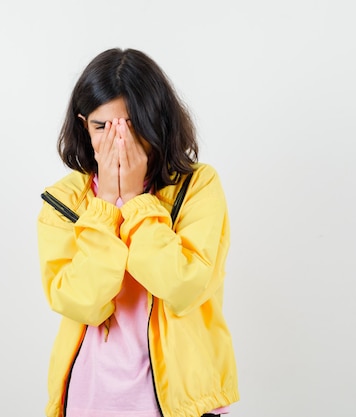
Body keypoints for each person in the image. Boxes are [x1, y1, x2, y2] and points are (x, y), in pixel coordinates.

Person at [36, 48, 239, 417]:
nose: (118, 142)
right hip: (88, 401)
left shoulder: (197, 186)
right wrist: (105, 207)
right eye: (103, 127)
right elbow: (81, 301)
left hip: (181, 405)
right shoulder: (64, 201)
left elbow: (182, 286)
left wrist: (134, 200)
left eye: (130, 126)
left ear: (155, 122)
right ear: (84, 125)